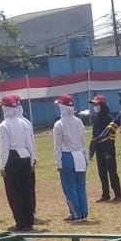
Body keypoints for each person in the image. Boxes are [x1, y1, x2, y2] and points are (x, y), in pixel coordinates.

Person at [0, 93, 38, 231]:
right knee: (27, 190)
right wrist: (32, 160)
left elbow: (4, 148)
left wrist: (2, 165)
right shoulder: (24, 122)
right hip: (25, 156)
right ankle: (29, 220)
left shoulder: (3, 125)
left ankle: (21, 222)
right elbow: (30, 143)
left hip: (12, 158)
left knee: (14, 192)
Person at [52, 93, 90, 222]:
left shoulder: (59, 124)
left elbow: (57, 146)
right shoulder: (79, 121)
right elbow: (83, 141)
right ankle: (83, 212)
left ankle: (75, 213)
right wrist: (86, 157)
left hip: (67, 156)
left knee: (69, 187)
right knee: (81, 187)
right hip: (80, 155)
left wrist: (58, 162)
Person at [88, 94, 121, 203]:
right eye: (94, 104)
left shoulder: (108, 117)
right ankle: (105, 194)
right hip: (99, 149)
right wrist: (92, 150)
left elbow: (111, 135)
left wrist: (108, 150)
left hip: (108, 149)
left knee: (112, 172)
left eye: (96, 104)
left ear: (102, 105)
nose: (95, 106)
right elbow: (94, 135)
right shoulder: (96, 118)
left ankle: (118, 194)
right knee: (102, 172)